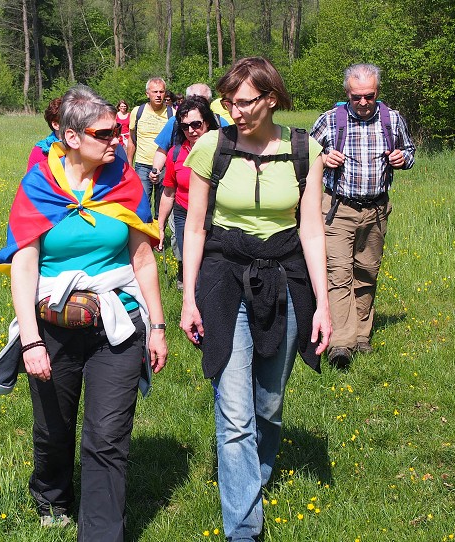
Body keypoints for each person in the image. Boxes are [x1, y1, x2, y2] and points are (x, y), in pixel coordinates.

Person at [0, 85, 168, 540]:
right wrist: (29, 340)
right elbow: (24, 265)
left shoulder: (125, 183)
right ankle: (52, 495)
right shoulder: (38, 187)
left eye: (118, 131)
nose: (116, 139)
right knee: (53, 429)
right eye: (105, 133)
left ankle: (102, 533)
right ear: (71, 137)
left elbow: (143, 259)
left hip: (117, 324)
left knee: (107, 440)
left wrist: (158, 327)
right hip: (52, 327)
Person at [180, 57, 331, 542]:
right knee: (236, 414)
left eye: (244, 102)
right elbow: (196, 226)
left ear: (271, 98)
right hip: (225, 281)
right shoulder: (211, 146)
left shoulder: (305, 150)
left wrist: (324, 305)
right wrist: (188, 297)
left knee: (269, 405)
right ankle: (244, 530)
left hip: (286, 281)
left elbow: (311, 230)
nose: (234, 111)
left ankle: (255, 479)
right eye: (228, 102)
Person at [310, 63, 415, 368]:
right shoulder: (331, 121)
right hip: (338, 208)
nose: (363, 102)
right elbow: (304, 155)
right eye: (357, 97)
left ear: (377, 92)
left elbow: (408, 152)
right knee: (339, 274)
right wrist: (323, 158)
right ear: (347, 94)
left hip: (377, 209)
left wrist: (401, 158)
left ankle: (361, 336)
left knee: (367, 273)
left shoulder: (392, 119)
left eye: (369, 96)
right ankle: (341, 343)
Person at [156, 96, 218, 290]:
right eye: (185, 126)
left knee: (215, 264)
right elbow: (168, 192)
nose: (191, 130)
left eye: (196, 124)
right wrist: (160, 225)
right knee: (192, 264)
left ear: (207, 122)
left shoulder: (223, 150)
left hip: (215, 215)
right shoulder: (175, 153)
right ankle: (194, 304)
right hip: (184, 214)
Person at [127, 77, 174, 219]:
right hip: (142, 164)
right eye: (155, 92)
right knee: (143, 205)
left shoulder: (172, 114)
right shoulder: (138, 111)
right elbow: (131, 139)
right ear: (147, 93)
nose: (158, 95)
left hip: (165, 166)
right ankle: (145, 237)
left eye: (161, 91)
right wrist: (129, 163)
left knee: (162, 207)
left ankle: (158, 238)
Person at [27, 97, 62, 172]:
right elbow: (31, 182)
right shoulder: (40, 151)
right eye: (69, 121)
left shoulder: (82, 148)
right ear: (56, 125)